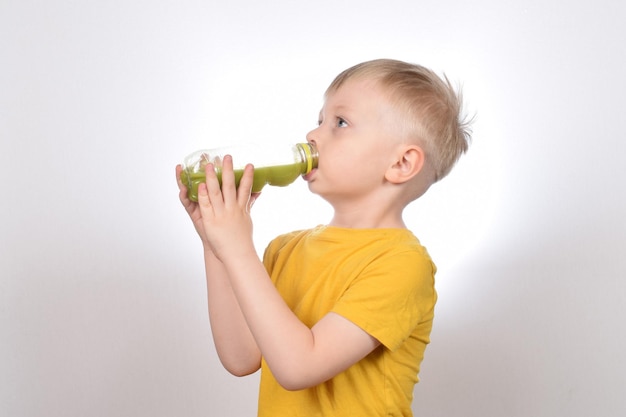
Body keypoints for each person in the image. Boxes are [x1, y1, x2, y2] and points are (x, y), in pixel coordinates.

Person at [175, 58, 472, 416]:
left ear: (401, 164)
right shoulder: (285, 249)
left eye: (340, 123)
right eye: (319, 121)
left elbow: (299, 366)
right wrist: (216, 244)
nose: (313, 136)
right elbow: (241, 357)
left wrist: (238, 250)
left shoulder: (402, 264)